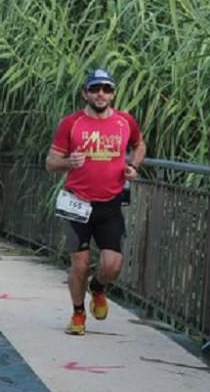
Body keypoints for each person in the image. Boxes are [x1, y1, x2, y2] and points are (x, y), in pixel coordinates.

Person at [45, 69, 146, 335]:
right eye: (95, 88)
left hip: (110, 202)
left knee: (112, 265)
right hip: (76, 202)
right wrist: (68, 162)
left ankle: (98, 288)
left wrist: (133, 165)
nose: (101, 94)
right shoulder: (71, 123)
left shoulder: (125, 122)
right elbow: (50, 163)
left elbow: (140, 145)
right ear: (85, 93)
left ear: (113, 93)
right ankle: (78, 314)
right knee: (79, 264)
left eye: (107, 89)